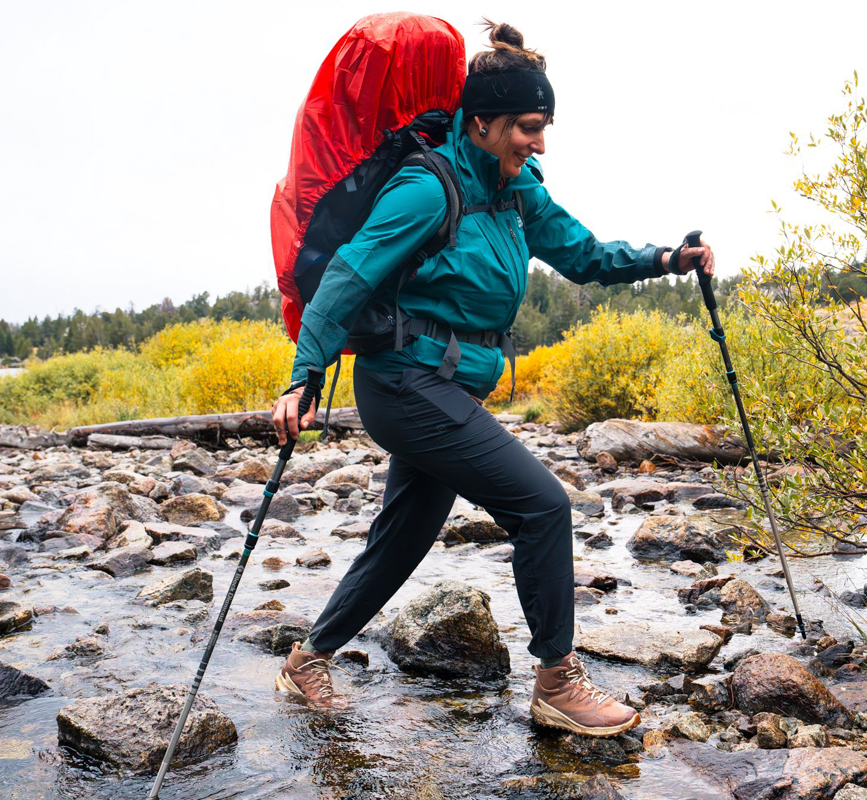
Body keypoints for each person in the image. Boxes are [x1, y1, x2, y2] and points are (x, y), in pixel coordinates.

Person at [271, 20, 715, 737]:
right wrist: (304, 377)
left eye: (544, 128)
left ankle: (307, 659)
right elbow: (346, 280)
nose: (539, 143)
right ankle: (556, 681)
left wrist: (666, 259)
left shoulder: (517, 191)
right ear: (481, 123)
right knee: (542, 506)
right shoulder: (425, 188)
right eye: (528, 128)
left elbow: (584, 254)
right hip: (404, 386)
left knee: (403, 537)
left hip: (445, 388)